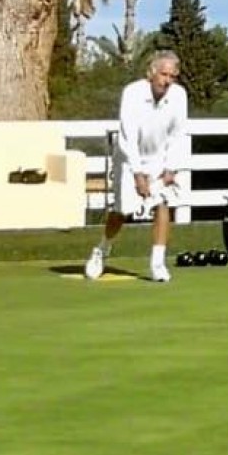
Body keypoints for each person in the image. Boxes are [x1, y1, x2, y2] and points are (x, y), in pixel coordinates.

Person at [84, 50, 188, 283]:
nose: (167, 81)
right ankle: (101, 251)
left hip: (159, 158)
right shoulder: (132, 93)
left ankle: (157, 263)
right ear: (151, 73)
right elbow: (127, 136)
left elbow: (178, 134)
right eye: (163, 75)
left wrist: (171, 168)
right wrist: (138, 175)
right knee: (122, 211)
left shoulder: (179, 96)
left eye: (172, 76)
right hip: (129, 157)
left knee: (163, 203)